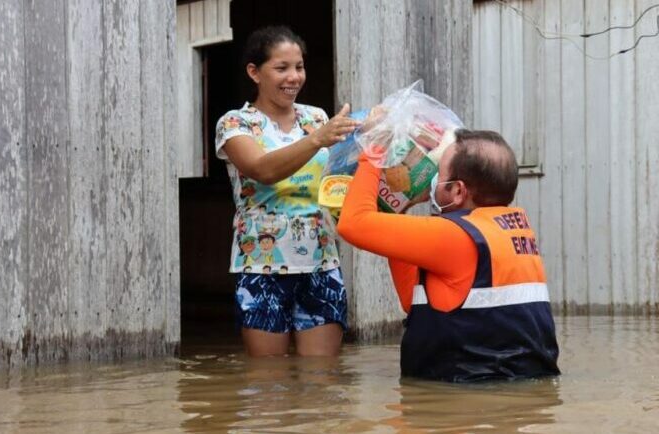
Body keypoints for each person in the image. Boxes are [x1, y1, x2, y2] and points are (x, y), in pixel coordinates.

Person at [337, 129, 560, 382]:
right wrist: (402, 204)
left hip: (464, 396)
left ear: (457, 191)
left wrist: (373, 151)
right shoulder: (512, 230)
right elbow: (418, 304)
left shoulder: (454, 236)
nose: (432, 180)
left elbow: (352, 223)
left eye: (439, 175)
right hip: (517, 388)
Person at [215, 25, 360, 357]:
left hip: (320, 261)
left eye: (299, 67)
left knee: (322, 385)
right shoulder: (236, 124)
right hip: (260, 265)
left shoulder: (316, 118)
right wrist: (317, 140)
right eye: (281, 68)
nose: (293, 77)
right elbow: (263, 170)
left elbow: (337, 183)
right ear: (254, 72)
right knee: (267, 387)